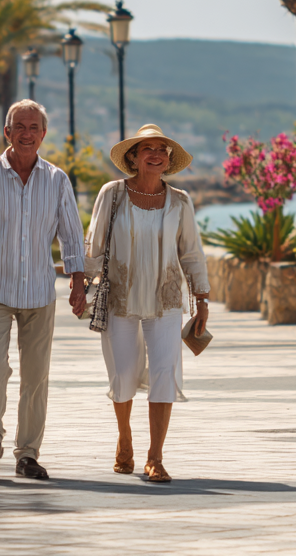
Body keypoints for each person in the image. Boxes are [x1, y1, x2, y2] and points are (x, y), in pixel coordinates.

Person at [0, 100, 86, 481]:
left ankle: (28, 453)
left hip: (40, 292)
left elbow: (71, 237)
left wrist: (78, 282)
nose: (27, 133)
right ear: (7, 133)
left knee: (36, 375)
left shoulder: (57, 179)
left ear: (43, 134)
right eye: (19, 126)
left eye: (34, 127)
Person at [82, 124, 209, 484]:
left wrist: (201, 298)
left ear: (168, 159)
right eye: (147, 149)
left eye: (162, 150)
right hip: (120, 296)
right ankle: (124, 438)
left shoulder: (180, 201)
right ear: (133, 157)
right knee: (122, 373)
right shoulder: (113, 194)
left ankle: (155, 457)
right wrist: (83, 289)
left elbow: (192, 253)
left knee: (163, 373)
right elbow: (95, 245)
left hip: (166, 298)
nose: (155, 154)